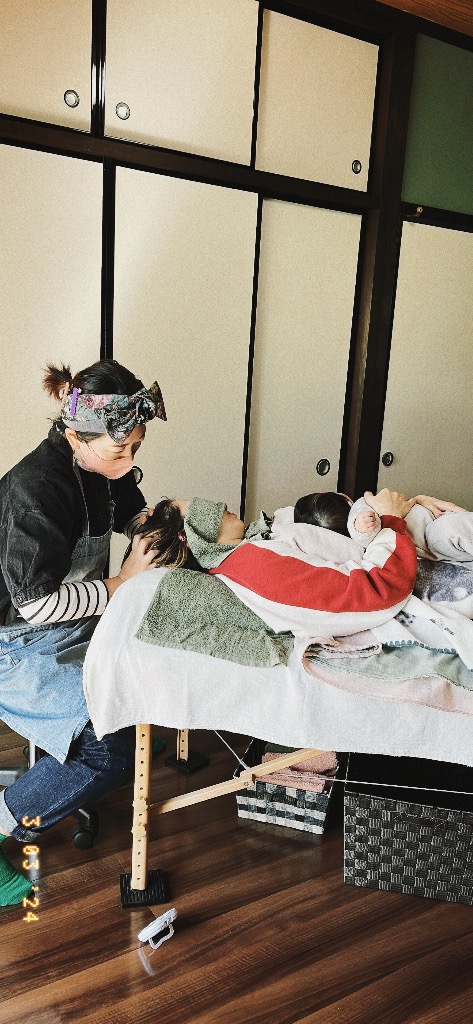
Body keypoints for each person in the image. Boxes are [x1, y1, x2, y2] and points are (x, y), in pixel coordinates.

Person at [0, 358, 166, 906]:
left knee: (144, 685)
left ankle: (68, 768)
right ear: (75, 435)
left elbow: (131, 513)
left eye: (136, 448)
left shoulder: (98, 466)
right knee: (110, 749)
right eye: (120, 452)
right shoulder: (37, 490)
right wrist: (121, 582)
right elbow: (36, 604)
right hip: (16, 640)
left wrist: (162, 525)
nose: (129, 462)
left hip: (72, 624)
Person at [139, 490, 419, 642]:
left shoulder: (255, 543)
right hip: (399, 566)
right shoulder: (254, 565)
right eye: (200, 508)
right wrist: (390, 520)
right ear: (188, 536)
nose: (219, 505)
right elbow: (375, 593)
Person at [294, 489, 472, 563]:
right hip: (430, 536)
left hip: (433, 518)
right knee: (452, 528)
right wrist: (359, 527)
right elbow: (361, 533)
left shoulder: (366, 504)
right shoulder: (360, 514)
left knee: (458, 525)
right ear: (346, 500)